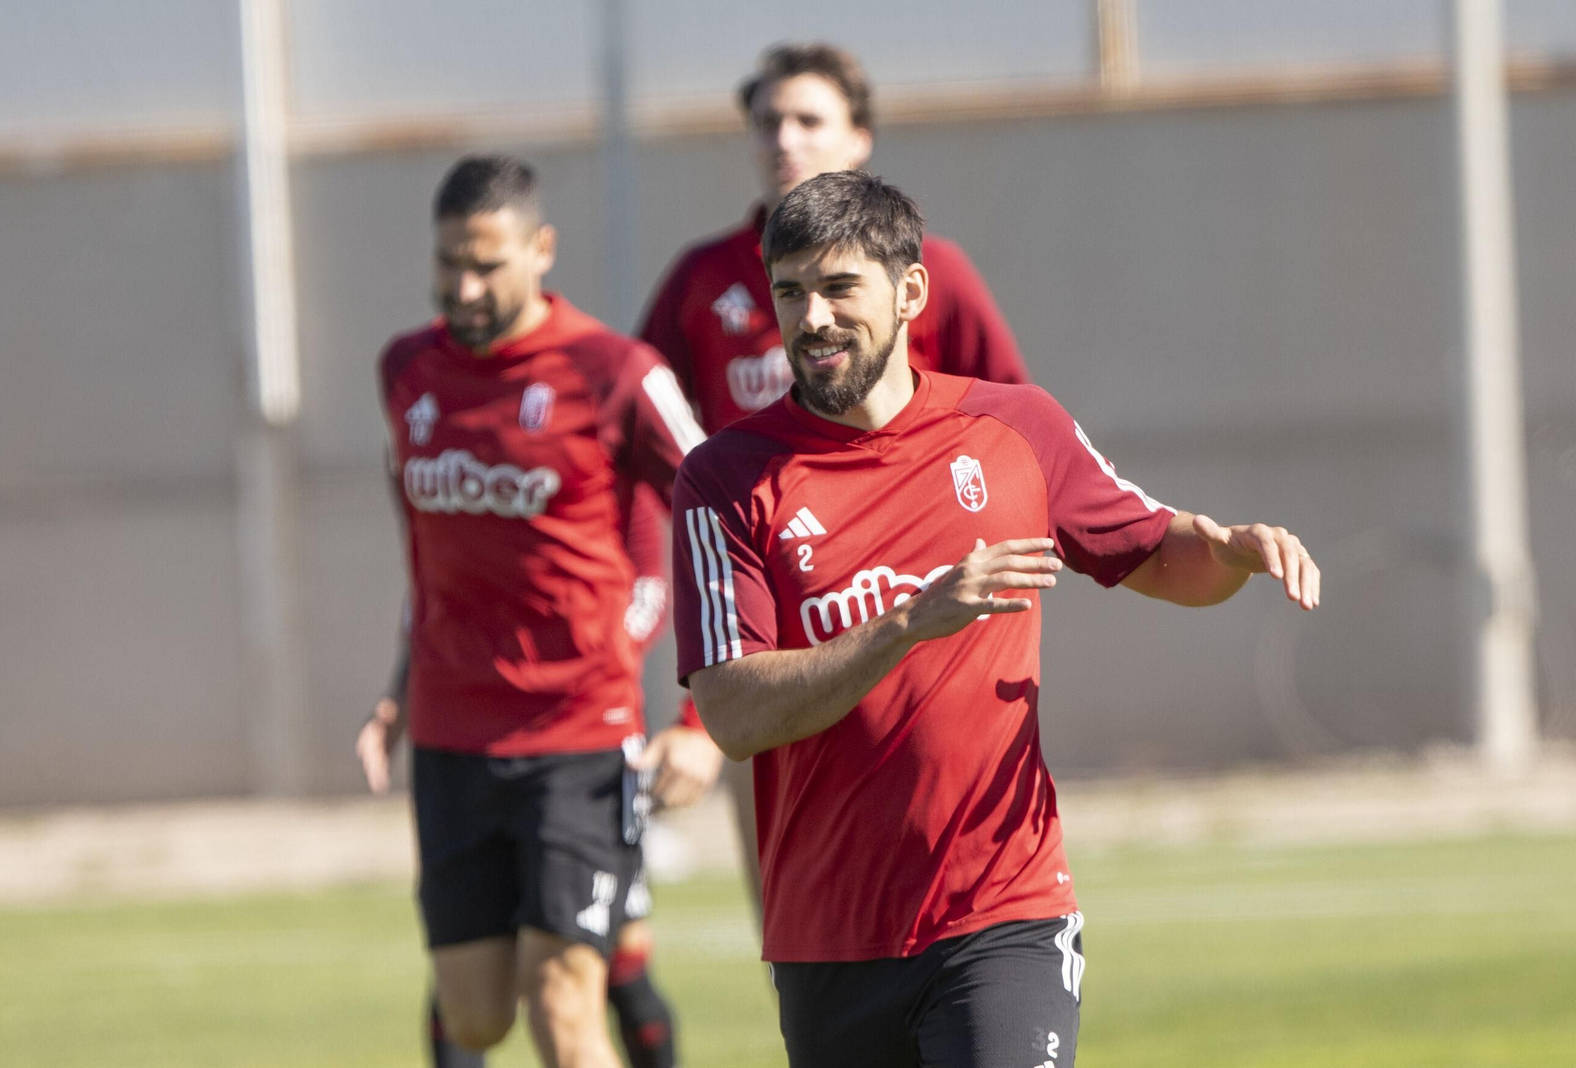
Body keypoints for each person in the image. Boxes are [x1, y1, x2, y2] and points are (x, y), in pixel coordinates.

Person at [670, 171, 1321, 1068]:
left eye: (838, 286)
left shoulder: (1013, 429)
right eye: (791, 292)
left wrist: (1236, 555)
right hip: (828, 939)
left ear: (910, 292)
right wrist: (907, 623)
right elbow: (736, 715)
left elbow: (1163, 557)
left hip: (1001, 912)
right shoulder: (724, 478)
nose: (812, 317)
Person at [639, 41, 1031, 913]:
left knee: (959, 901)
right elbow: (641, 457)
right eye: (768, 121)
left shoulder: (934, 275)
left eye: (809, 119)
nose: (785, 138)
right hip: (775, 631)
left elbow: (1018, 433)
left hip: (924, 627)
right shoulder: (702, 283)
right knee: (799, 913)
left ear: (860, 139)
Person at [356, 154, 718, 1068]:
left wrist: (703, 716)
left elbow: (724, 516)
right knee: (476, 1019)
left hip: (579, 736)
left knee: (566, 1007)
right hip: (450, 737)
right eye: (448, 264)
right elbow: (428, 563)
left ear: (542, 249)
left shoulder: (616, 372)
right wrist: (397, 697)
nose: (465, 286)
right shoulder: (405, 371)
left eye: (487, 262)